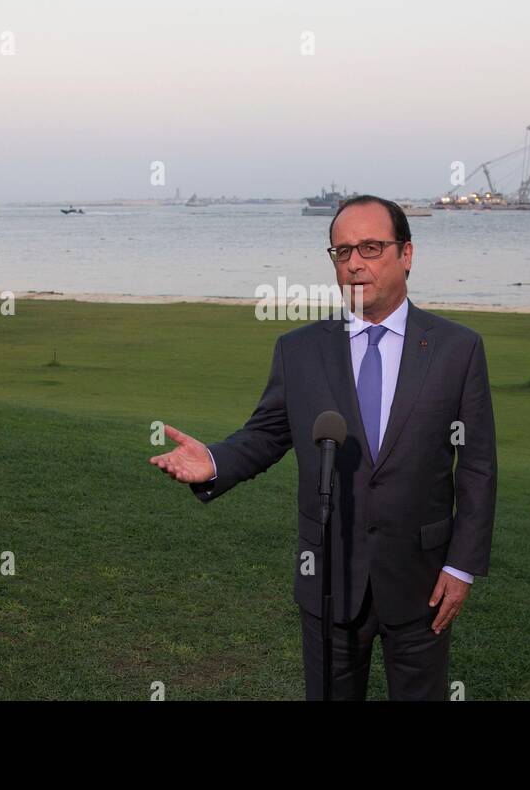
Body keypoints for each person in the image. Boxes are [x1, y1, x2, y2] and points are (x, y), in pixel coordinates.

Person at [149, 195, 497, 700]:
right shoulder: (300, 350)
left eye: (371, 247)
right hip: (328, 576)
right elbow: (267, 434)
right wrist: (216, 460)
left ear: (407, 254)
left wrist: (460, 565)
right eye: (341, 251)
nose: (354, 262)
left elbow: (478, 468)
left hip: (422, 582)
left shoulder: (457, 349)